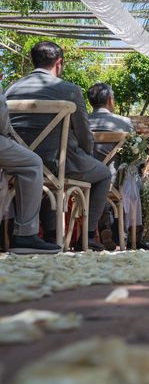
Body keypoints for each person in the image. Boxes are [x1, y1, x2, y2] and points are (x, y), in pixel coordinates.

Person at [6, 41, 111, 252]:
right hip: (61, 162)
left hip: (16, 163)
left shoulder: (10, 89)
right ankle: (88, 235)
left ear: (32, 61)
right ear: (59, 63)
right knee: (104, 174)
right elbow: (84, 136)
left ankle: (51, 234)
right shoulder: (69, 90)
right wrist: (86, 155)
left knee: (45, 177)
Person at [87, 82, 149, 251]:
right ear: (110, 100)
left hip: (82, 180)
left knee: (97, 187)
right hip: (114, 181)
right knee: (136, 181)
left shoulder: (82, 121)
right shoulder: (124, 122)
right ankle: (134, 236)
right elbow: (133, 157)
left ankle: (104, 227)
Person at [0, 85, 60, 254]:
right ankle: (26, 234)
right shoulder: (69, 89)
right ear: (59, 63)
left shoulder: (14, 88)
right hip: (54, 162)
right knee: (32, 164)